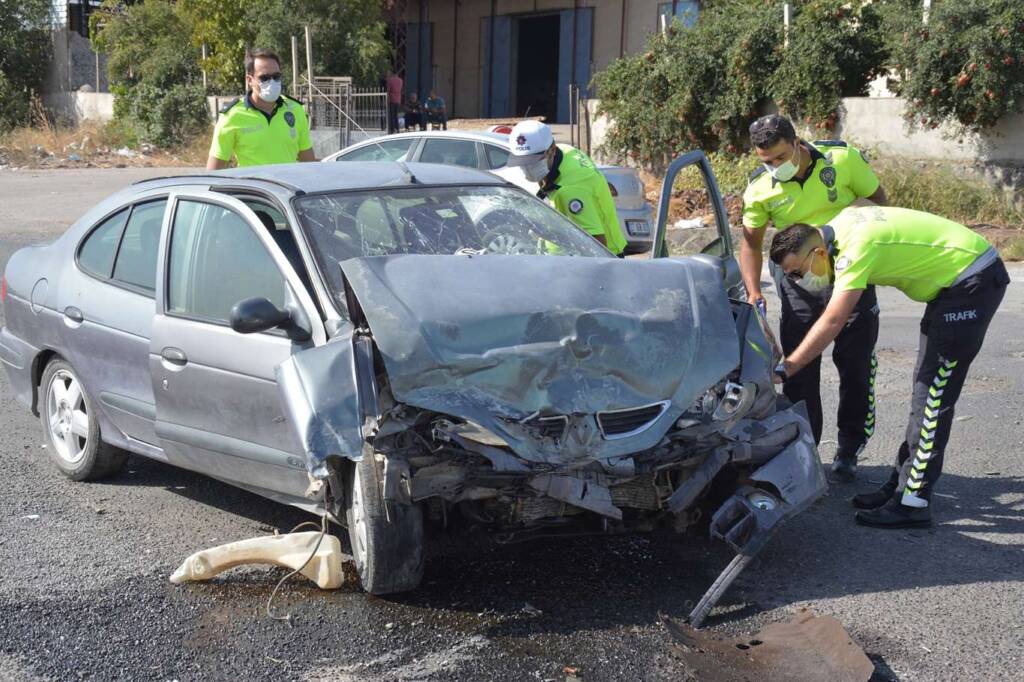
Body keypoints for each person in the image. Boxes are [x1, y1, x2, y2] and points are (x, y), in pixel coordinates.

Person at [770, 205, 1008, 528]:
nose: (799, 280)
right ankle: (901, 485)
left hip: (970, 283)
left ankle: (914, 500)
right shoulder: (838, 229)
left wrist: (788, 367)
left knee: (932, 395)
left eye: (799, 271)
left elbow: (834, 319)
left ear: (817, 251)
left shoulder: (856, 248)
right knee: (924, 390)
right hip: (955, 286)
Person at [741, 114, 888, 481]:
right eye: (765, 161)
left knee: (855, 366)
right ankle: (805, 447)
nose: (773, 167)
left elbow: (879, 200)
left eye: (779, 157)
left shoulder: (842, 160)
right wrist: (754, 292)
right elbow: (751, 245)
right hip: (797, 280)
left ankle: (849, 448)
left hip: (850, 268)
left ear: (796, 143)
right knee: (799, 367)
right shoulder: (760, 188)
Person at [506, 120, 627, 256]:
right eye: (523, 162)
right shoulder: (566, 151)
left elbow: (596, 246)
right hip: (567, 260)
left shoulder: (571, 189)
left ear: (552, 149)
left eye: (533, 162)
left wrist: (545, 232)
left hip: (599, 261)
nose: (528, 168)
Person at [207, 49, 315, 169]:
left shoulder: (296, 110)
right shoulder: (232, 116)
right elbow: (214, 170)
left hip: (288, 187)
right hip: (253, 187)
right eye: (264, 78)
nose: (272, 82)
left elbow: (309, 164)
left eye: (276, 76)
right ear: (249, 80)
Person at [386, 70, 403, 134]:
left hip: (392, 99)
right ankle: (397, 128)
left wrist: (387, 99)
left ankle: (392, 129)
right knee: (396, 115)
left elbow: (388, 90)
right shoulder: (400, 80)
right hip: (398, 99)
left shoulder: (390, 80)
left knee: (391, 115)